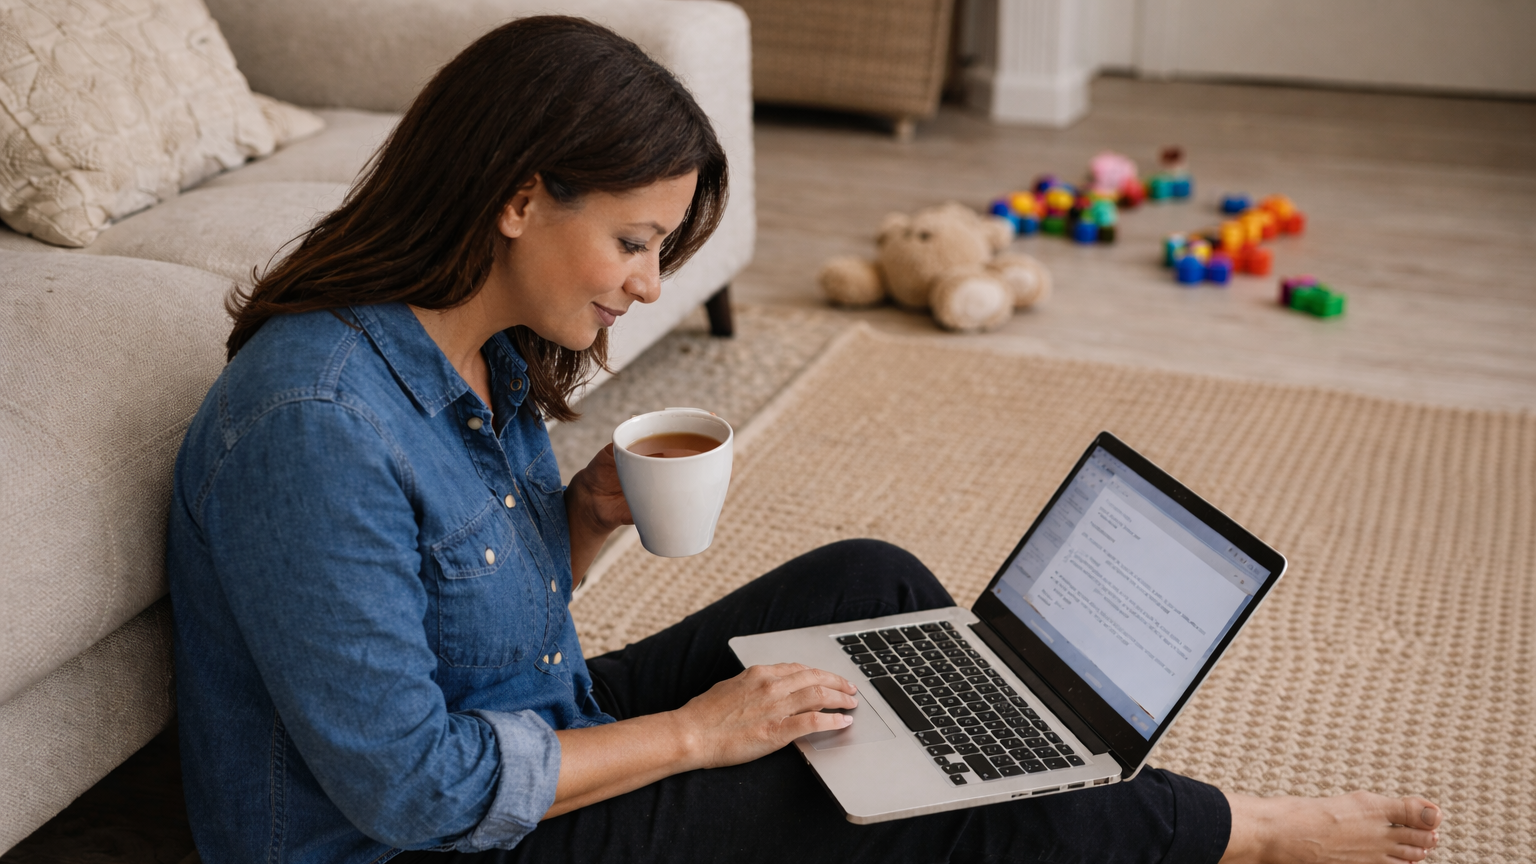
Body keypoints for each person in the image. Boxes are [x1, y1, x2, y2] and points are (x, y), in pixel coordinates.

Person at [166, 16, 1442, 864]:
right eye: (634, 241)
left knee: (870, 584)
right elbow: (417, 790)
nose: (649, 285)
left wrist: (589, 521)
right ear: (515, 198)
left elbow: (485, 615)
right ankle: (1242, 831)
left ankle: (1021, 789)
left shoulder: (472, 353)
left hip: (525, 721)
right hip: (441, 840)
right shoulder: (314, 428)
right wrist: (702, 735)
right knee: (870, 775)